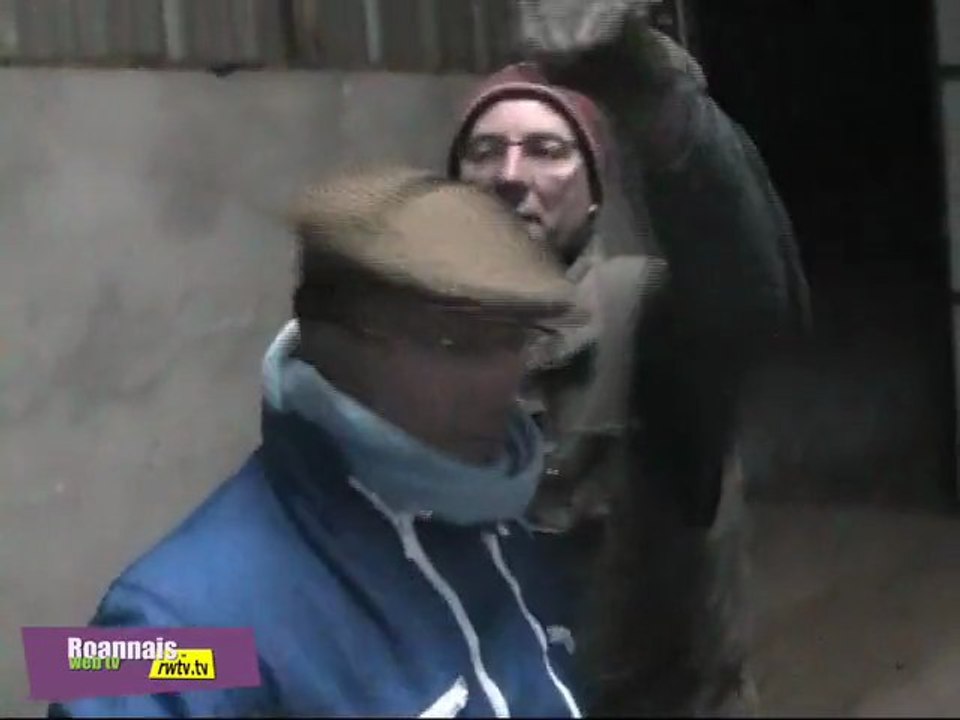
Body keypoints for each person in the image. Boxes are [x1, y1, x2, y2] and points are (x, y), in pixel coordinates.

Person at [49, 167, 589, 717]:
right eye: (457, 342)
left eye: (516, 339)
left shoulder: (504, 532)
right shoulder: (172, 621)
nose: (504, 380)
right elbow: (92, 671)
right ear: (330, 346)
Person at [446, 2, 813, 715]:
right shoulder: (395, 358)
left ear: (593, 198)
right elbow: (240, 617)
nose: (510, 173)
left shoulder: (645, 328)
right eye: (483, 151)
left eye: (548, 151)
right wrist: (172, 667)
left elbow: (750, 286)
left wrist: (646, 89)